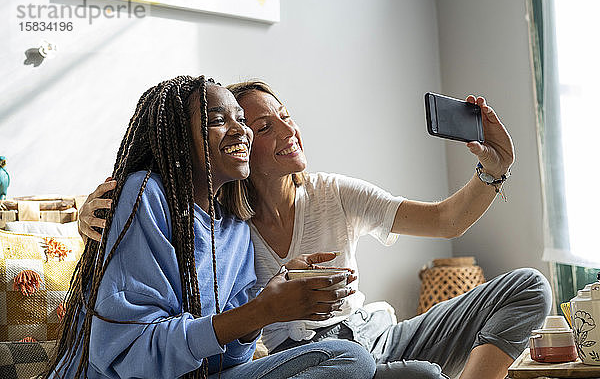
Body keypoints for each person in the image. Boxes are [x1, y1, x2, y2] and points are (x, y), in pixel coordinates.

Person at [80, 80, 552, 379]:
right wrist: (89, 215)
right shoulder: (224, 220)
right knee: (414, 375)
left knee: (528, 286)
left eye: (281, 116)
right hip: (310, 354)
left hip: (374, 336)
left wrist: (495, 168)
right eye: (263, 126)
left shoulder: (330, 194)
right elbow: (150, 232)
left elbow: (445, 219)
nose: (283, 130)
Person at [45, 76, 376, 379]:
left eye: (242, 121)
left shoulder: (235, 226)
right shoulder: (145, 194)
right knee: (350, 359)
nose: (239, 130)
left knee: (365, 362)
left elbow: (228, 361)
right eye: (218, 121)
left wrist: (260, 313)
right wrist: (261, 310)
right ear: (177, 137)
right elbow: (129, 354)